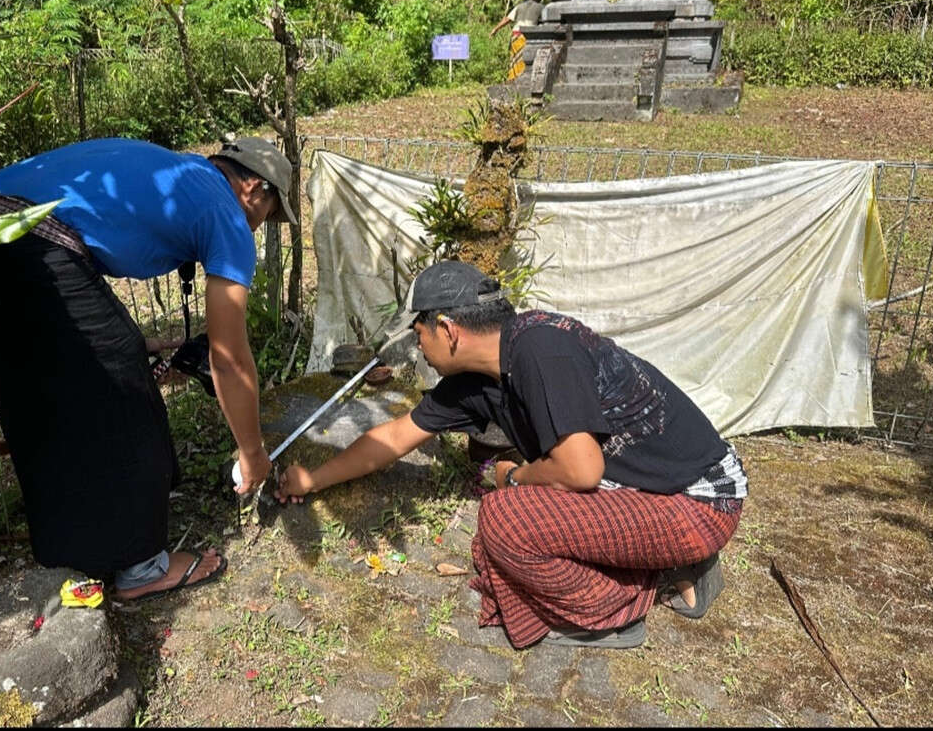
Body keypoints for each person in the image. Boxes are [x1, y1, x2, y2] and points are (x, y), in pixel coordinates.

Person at [275, 261, 747, 650]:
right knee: (502, 534)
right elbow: (395, 437)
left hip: (697, 501)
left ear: (447, 328)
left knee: (508, 521)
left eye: (418, 332)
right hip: (645, 494)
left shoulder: (542, 347)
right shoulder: (476, 381)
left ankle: (624, 605)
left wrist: (517, 476)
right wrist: (312, 480)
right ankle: (663, 561)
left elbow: (582, 469)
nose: (417, 345)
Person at [0, 135, 298, 601]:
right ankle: (142, 567)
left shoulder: (175, 172)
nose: (256, 227)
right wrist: (253, 453)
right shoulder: (225, 210)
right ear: (255, 188)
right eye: (267, 216)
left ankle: (70, 551)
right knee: (123, 391)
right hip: (28, 244)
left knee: (42, 404)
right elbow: (229, 357)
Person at [490, 0, 545, 81]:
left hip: (516, 35)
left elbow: (507, 19)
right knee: (527, 59)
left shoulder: (519, 6)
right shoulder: (540, 7)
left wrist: (495, 29)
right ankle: (524, 79)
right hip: (529, 36)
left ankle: (513, 79)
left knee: (515, 59)